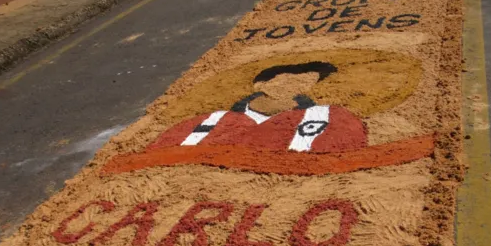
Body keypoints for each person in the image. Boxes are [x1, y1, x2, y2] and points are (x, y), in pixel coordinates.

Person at [148, 62, 369, 153]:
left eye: (303, 82)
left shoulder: (324, 117)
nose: (292, 86)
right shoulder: (213, 119)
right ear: (261, 85)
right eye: (284, 80)